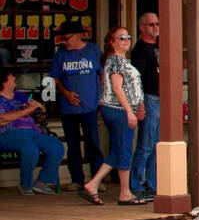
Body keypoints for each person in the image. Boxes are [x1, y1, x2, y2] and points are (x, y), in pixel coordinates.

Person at [80, 26, 148, 205]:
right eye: (121, 38)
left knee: (118, 150)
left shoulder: (118, 61)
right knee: (124, 150)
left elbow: (130, 87)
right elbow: (117, 88)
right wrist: (128, 111)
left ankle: (93, 184)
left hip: (118, 110)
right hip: (118, 110)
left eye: (128, 37)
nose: (126, 40)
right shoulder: (116, 61)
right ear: (112, 42)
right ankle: (125, 193)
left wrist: (139, 105)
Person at [50, 19, 104, 189]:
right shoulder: (61, 55)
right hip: (68, 107)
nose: (64, 42)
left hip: (90, 104)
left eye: (67, 38)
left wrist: (102, 96)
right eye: (62, 39)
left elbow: (102, 74)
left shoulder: (93, 50)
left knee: (93, 143)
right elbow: (55, 78)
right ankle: (76, 180)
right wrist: (65, 92)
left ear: (79, 35)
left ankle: (97, 180)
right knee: (73, 145)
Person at [0, 66, 64, 194]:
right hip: (8, 134)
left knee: (55, 145)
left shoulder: (20, 95)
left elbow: (41, 108)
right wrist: (27, 110)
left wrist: (33, 106)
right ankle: (26, 184)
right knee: (29, 148)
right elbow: (2, 119)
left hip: (32, 131)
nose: (14, 78)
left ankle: (42, 182)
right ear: (4, 82)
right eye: (11, 77)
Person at [129, 12, 160, 200]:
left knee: (158, 146)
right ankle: (135, 184)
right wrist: (139, 104)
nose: (155, 27)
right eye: (151, 24)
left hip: (161, 98)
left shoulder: (157, 47)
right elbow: (135, 80)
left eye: (157, 23)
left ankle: (152, 184)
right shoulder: (140, 49)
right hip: (148, 99)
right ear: (142, 28)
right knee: (146, 145)